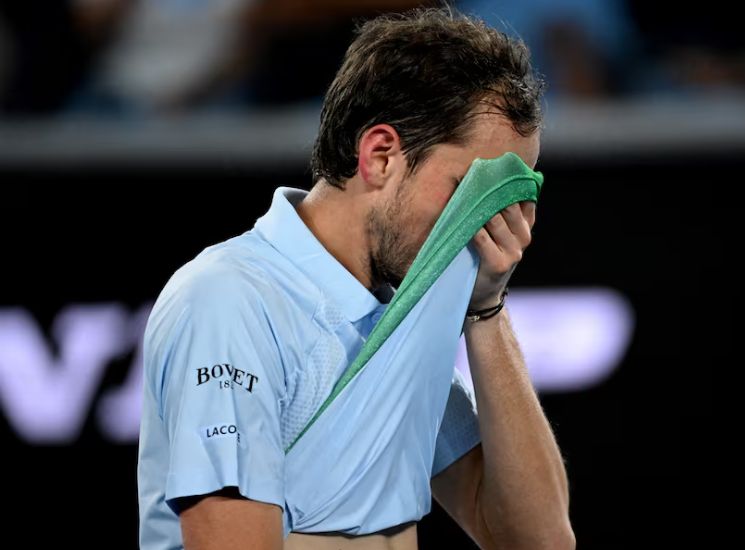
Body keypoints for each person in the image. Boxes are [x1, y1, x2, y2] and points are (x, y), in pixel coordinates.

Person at [137, 7, 574, 550]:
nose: (484, 227)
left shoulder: (403, 313)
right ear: (381, 155)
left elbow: (537, 542)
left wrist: (485, 309)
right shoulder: (231, 300)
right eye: (468, 191)